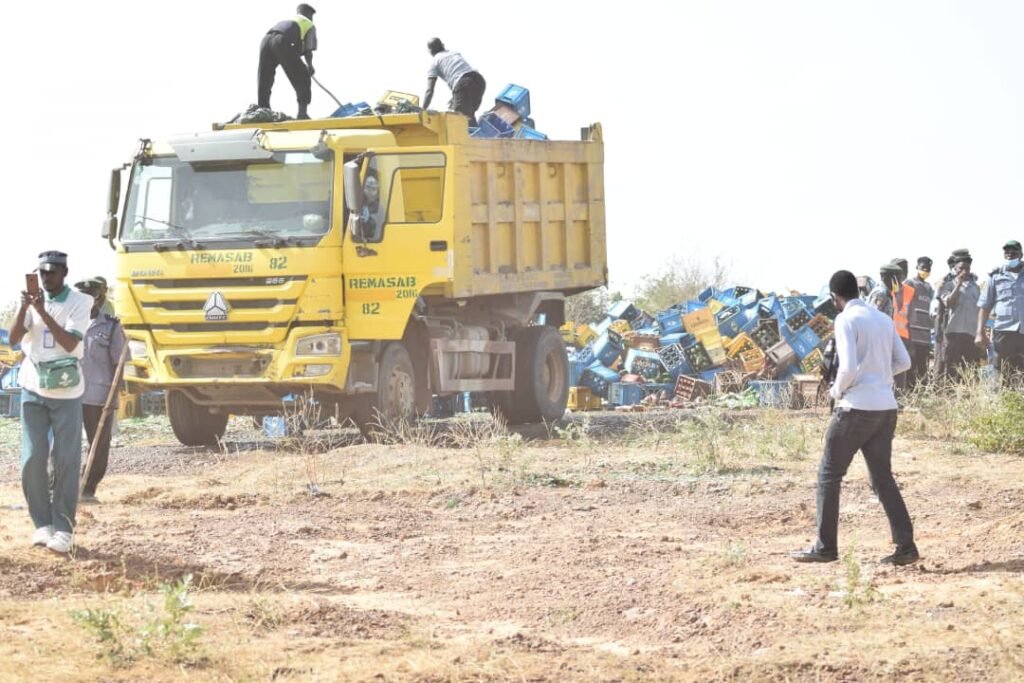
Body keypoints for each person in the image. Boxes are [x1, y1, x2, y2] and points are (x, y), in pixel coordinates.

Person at [791, 270, 918, 566]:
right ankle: (906, 546)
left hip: (855, 408)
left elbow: (846, 368)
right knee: (882, 478)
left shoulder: (845, 319)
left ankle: (825, 547)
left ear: (835, 297)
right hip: (885, 408)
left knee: (829, 474)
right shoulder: (883, 319)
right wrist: (878, 377)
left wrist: (836, 391)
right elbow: (905, 362)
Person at [9, 251, 92, 554]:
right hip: (33, 387)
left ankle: (64, 528)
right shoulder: (33, 301)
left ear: (64, 273)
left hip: (67, 391)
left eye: (52, 273)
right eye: (41, 273)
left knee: (66, 460)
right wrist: (24, 307)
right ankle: (42, 524)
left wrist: (42, 312)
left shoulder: (80, 302)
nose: (45, 278)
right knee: (32, 459)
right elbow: (14, 339)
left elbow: (70, 342)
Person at [75, 277, 128, 503]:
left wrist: (114, 396)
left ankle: (87, 489)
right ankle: (55, 487)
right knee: (61, 443)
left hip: (99, 396)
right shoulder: (66, 323)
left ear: (100, 298)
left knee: (98, 444)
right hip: (69, 394)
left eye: (92, 297)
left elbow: (119, 362)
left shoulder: (112, 326)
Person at [258, 4, 318, 120]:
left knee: (265, 77)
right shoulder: (309, 24)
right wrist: (310, 66)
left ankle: (263, 110)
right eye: (312, 15)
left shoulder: (288, 22)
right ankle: (302, 113)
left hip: (265, 41)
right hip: (283, 41)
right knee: (303, 75)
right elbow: (308, 50)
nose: (312, 18)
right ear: (308, 14)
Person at [978, 240, 1024, 382]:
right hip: (1004, 330)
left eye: (1014, 251)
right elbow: (985, 306)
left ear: (1021, 254)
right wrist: (980, 333)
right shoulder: (995, 276)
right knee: (1002, 368)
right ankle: (1005, 399)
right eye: (1007, 251)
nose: (1010, 254)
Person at [936, 252, 981, 380]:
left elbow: (980, 311)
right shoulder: (948, 285)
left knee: (969, 370)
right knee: (951, 368)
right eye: (961, 268)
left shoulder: (976, 288)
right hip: (953, 333)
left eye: (967, 268)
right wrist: (958, 285)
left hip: (971, 334)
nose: (964, 271)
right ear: (955, 269)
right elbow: (949, 303)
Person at [422, 38, 487, 126]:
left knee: (461, 119)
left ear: (430, 51)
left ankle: (474, 137)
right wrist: (455, 97)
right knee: (468, 116)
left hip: (464, 85)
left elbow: (429, 91)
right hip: (479, 81)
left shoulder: (434, 63)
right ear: (443, 45)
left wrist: (422, 111)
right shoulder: (454, 53)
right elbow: (463, 75)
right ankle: (479, 136)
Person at [900, 257, 935, 390]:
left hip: (925, 337)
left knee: (922, 368)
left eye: (928, 269)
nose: (925, 270)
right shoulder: (910, 283)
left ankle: (919, 395)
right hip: (912, 336)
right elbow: (904, 308)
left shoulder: (929, 288)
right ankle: (908, 394)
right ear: (917, 267)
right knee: (911, 368)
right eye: (923, 268)